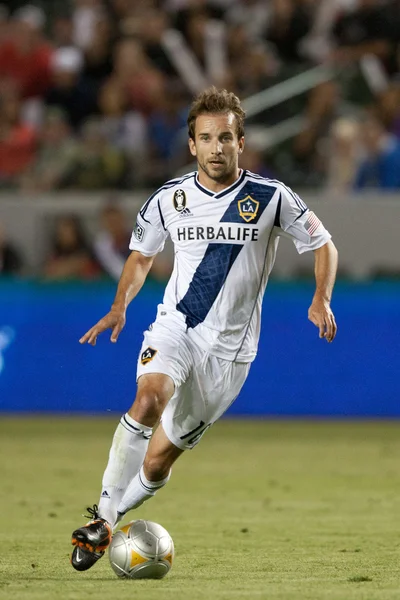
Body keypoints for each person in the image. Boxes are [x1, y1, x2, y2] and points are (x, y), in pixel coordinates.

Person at [70, 87, 338, 572]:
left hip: (230, 355)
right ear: (192, 144)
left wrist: (321, 297)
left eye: (227, 138)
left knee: (156, 464)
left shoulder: (270, 197)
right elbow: (140, 257)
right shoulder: (169, 199)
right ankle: (102, 519)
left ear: (242, 142)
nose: (218, 147)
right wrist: (119, 306)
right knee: (147, 399)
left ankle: (116, 515)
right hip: (177, 326)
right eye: (207, 138)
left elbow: (324, 244)